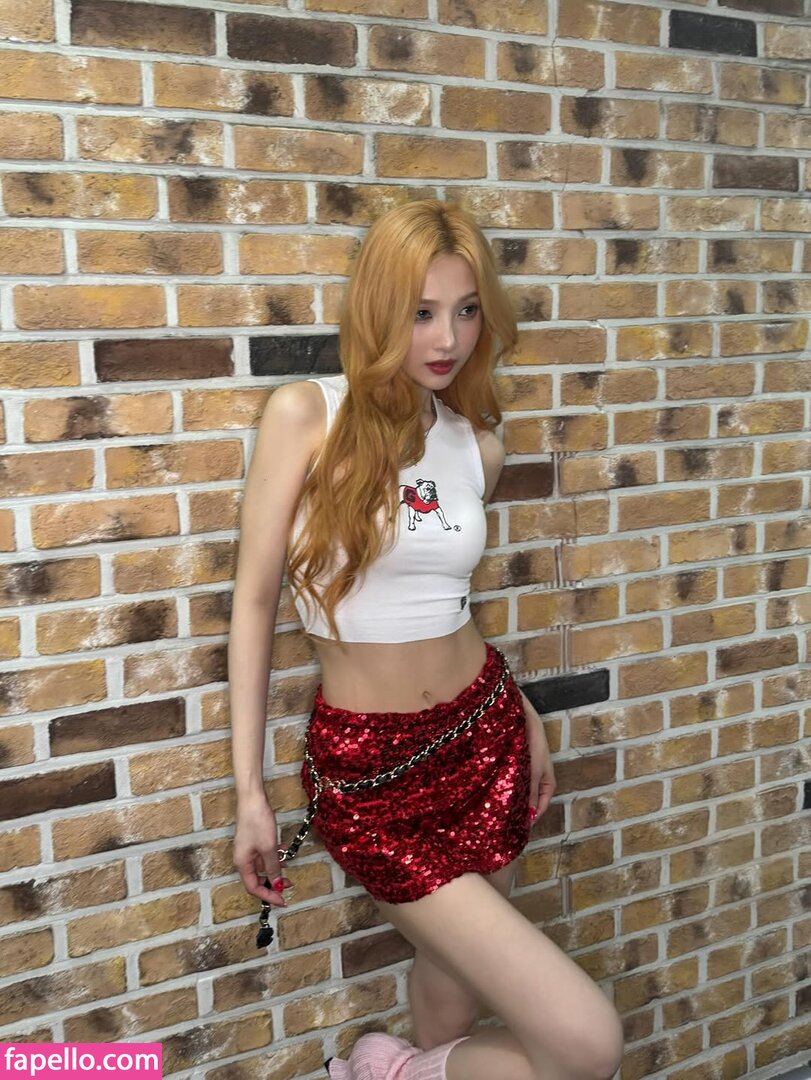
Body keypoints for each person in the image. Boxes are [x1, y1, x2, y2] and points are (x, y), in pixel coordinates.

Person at [228, 200, 625, 1080]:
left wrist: (521, 711)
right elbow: (252, 603)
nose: (447, 338)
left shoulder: (475, 446)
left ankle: (402, 1066)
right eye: (421, 311)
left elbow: (450, 606)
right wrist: (250, 793)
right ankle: (386, 1072)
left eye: (466, 310)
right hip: (372, 771)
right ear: (378, 308)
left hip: (484, 740)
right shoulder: (305, 414)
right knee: (585, 1044)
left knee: (450, 1004)